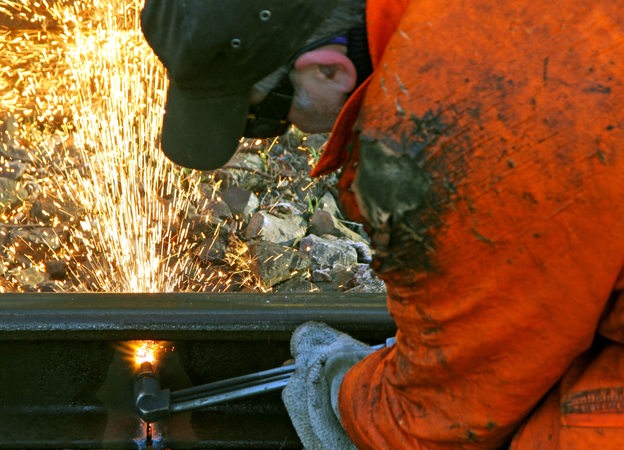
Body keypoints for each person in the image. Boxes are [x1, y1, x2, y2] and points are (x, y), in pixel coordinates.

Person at [141, 0, 624, 448]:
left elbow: (437, 419)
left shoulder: (444, 126)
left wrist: (341, 391)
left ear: (328, 69)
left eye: (265, 116)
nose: (280, 131)